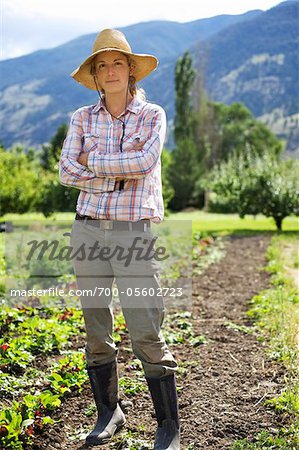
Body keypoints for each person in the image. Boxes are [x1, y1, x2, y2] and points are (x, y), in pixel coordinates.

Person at [59, 29, 180, 449]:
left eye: (117, 63)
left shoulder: (153, 116)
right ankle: (110, 414)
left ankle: (168, 427)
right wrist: (116, 176)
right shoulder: (81, 118)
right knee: (96, 329)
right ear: (94, 74)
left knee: (146, 329)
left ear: (131, 71)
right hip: (87, 228)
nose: (110, 71)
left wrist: (94, 164)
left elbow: (146, 163)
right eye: (101, 64)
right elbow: (66, 172)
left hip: (133, 233)